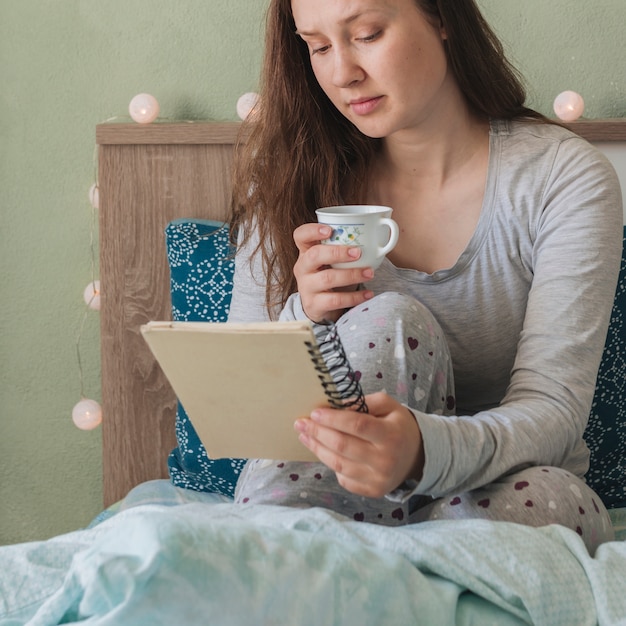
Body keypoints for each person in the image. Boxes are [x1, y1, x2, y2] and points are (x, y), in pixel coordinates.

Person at [226, 0, 623, 553]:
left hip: (499, 492)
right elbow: (242, 407)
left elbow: (553, 410)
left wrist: (421, 452)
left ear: (441, 16)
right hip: (326, 497)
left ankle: (337, 575)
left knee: (547, 498)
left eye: (366, 34)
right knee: (385, 321)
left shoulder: (562, 177)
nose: (342, 74)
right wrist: (306, 317)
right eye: (317, 47)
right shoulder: (287, 177)